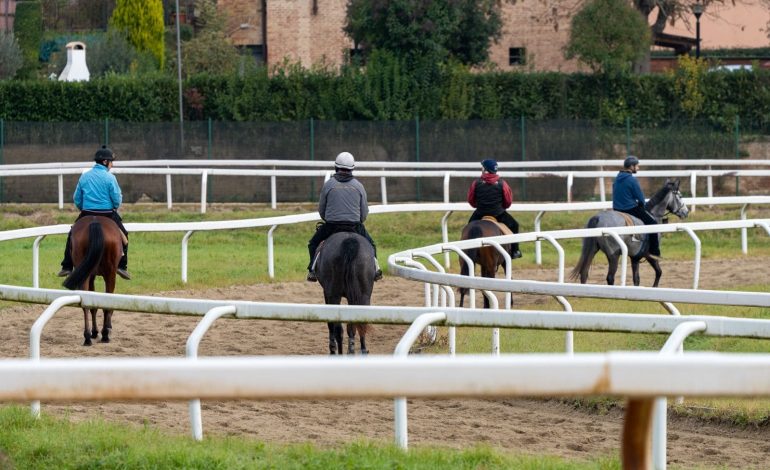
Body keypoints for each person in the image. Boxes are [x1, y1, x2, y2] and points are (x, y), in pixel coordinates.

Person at [57, 145, 131, 280]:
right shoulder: (110, 178)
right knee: (124, 236)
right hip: (108, 214)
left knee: (72, 234)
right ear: (105, 162)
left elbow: (77, 198)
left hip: (86, 213)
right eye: (111, 162)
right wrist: (114, 207)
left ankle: (66, 266)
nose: (112, 165)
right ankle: (122, 265)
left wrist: (83, 209)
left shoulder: (84, 177)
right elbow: (116, 199)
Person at [307, 151, 382, 282]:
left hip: (332, 226)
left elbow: (321, 211)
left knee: (313, 243)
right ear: (352, 169)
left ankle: (312, 270)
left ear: (336, 167)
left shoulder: (328, 185)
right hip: (354, 226)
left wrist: (329, 218)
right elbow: (364, 213)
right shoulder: (359, 186)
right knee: (371, 245)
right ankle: (376, 269)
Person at [467, 159, 522, 259]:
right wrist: (500, 207)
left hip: (480, 214)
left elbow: (471, 200)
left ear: (485, 169)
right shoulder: (502, 183)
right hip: (499, 214)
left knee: (468, 228)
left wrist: (479, 205)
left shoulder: (476, 183)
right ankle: (515, 251)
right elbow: (508, 202)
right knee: (515, 225)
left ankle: (466, 251)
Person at [612, 155, 661, 258]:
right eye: (637, 166)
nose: (638, 168)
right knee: (653, 223)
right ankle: (654, 251)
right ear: (631, 167)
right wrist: (642, 205)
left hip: (616, 209)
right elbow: (641, 198)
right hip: (630, 209)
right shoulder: (632, 180)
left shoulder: (616, 178)